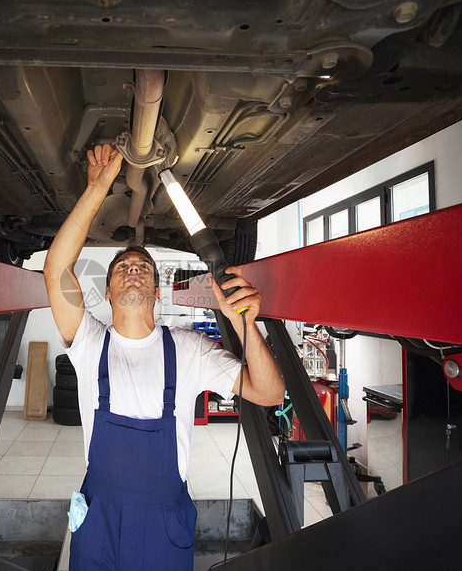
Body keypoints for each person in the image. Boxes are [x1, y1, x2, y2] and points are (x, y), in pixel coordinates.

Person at [43, 143, 285, 570]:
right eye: (122, 268)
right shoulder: (87, 342)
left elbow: (268, 394)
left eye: (143, 267)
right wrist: (98, 188)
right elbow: (56, 268)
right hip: (99, 519)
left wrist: (246, 322)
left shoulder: (189, 348)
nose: (132, 268)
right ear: (109, 290)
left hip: (164, 524)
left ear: (156, 291)